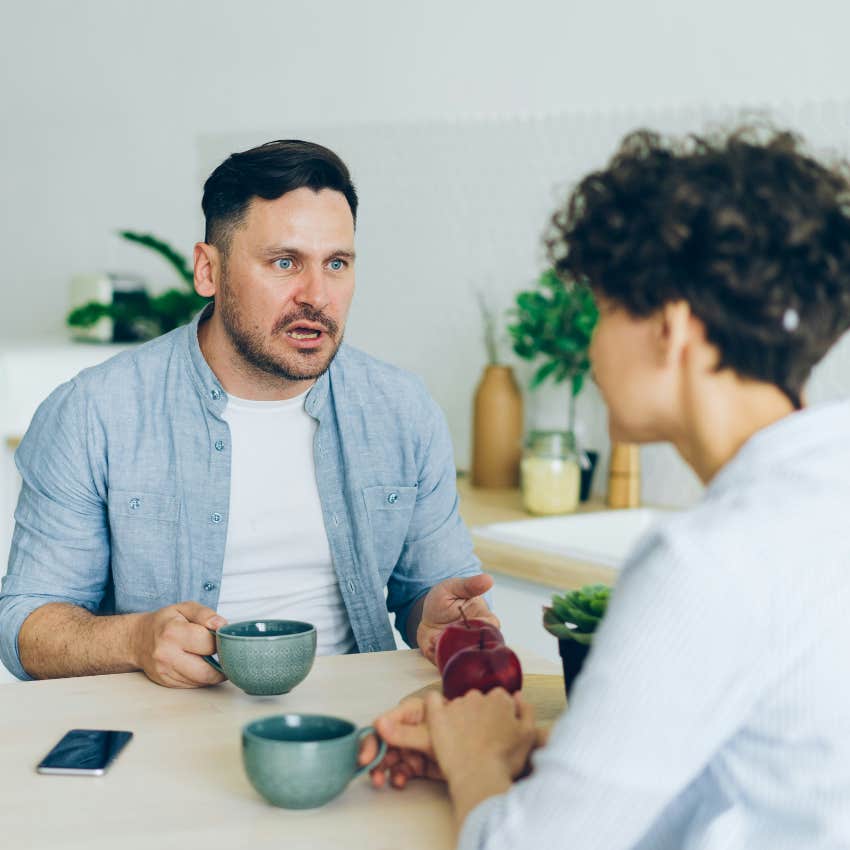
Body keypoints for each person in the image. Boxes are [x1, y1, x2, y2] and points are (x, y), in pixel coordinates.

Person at [359, 125, 850, 848]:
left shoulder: (709, 560)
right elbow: (745, 766)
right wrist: (530, 765)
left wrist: (475, 757)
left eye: (603, 309)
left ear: (670, 330)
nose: (590, 345)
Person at [0, 140, 497, 686]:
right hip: (165, 725)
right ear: (208, 271)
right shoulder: (95, 413)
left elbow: (429, 590)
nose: (317, 295)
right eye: (284, 262)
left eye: (336, 263)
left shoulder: (402, 409)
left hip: (357, 720)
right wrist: (135, 639)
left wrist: (437, 616)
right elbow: (25, 627)